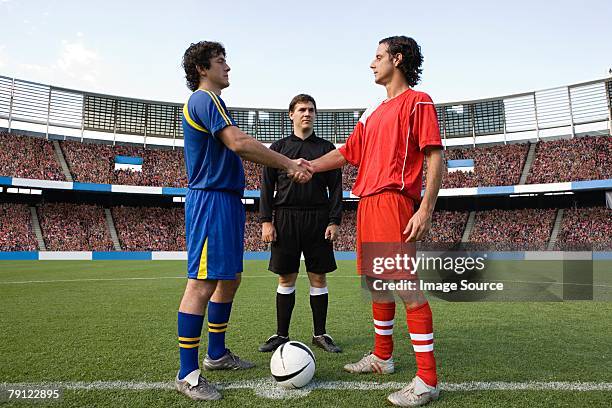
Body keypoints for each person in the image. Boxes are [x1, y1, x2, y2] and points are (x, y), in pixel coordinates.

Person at [310, 36, 444, 407]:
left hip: (393, 201)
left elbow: (434, 157)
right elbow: (346, 153)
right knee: (378, 283)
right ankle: (382, 357)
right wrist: (306, 166)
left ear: (397, 59)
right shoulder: (371, 113)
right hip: (368, 202)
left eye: (378, 56)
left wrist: (425, 209)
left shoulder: (419, 102)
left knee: (404, 285)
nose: (372, 63)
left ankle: (427, 381)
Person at [176, 41, 312, 401]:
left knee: (230, 279)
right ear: (202, 69)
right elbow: (238, 142)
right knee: (201, 283)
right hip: (210, 200)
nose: (228, 67)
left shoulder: (216, 103)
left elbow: (238, 144)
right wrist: (287, 163)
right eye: (221, 61)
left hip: (227, 202)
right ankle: (187, 373)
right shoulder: (203, 100)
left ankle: (217, 354)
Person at [258, 94, 343, 354]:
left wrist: (334, 220)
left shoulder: (326, 148)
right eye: (302, 109)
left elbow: (336, 188)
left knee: (318, 277)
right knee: (287, 278)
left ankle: (321, 334)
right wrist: (265, 221)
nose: (307, 113)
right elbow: (266, 187)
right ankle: (281, 334)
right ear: (291, 115)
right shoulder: (278, 148)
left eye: (311, 110)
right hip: (285, 218)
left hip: (318, 218)